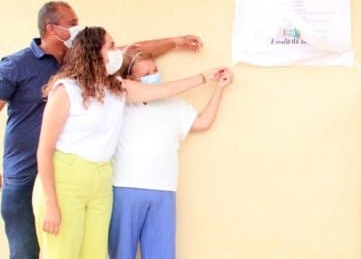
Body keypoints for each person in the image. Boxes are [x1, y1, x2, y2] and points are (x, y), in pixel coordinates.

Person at [0, 1, 202, 258]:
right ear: (52, 29)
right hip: (26, 171)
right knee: (27, 251)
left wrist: (176, 42)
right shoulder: (19, 66)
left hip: (81, 173)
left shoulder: (90, 69)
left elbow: (134, 51)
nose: (77, 28)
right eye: (72, 24)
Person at [31, 26, 225, 259]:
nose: (116, 51)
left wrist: (205, 77)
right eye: (111, 46)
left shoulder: (117, 89)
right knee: (62, 253)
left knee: (94, 254)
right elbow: (44, 150)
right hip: (66, 179)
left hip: (100, 181)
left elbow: (163, 89)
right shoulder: (66, 90)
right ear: (94, 53)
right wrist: (52, 203)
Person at [108, 50, 232, 259]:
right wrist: (177, 43)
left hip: (163, 192)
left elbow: (202, 122)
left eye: (155, 70)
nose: (154, 75)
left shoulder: (173, 104)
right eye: (146, 73)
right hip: (125, 190)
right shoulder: (120, 101)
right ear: (131, 79)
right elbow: (120, 54)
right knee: (121, 254)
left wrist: (219, 88)